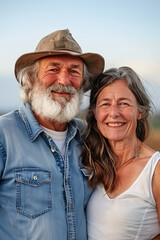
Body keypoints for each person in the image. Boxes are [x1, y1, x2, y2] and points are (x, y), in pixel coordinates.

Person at [0, 29, 104, 240]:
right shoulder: (3, 135)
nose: (64, 80)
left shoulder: (90, 136)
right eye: (53, 69)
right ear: (31, 79)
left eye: (74, 71)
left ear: (83, 83)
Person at [81, 67, 160, 240]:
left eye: (124, 103)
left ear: (140, 111)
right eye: (105, 104)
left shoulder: (155, 170)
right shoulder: (89, 161)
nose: (114, 113)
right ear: (95, 112)